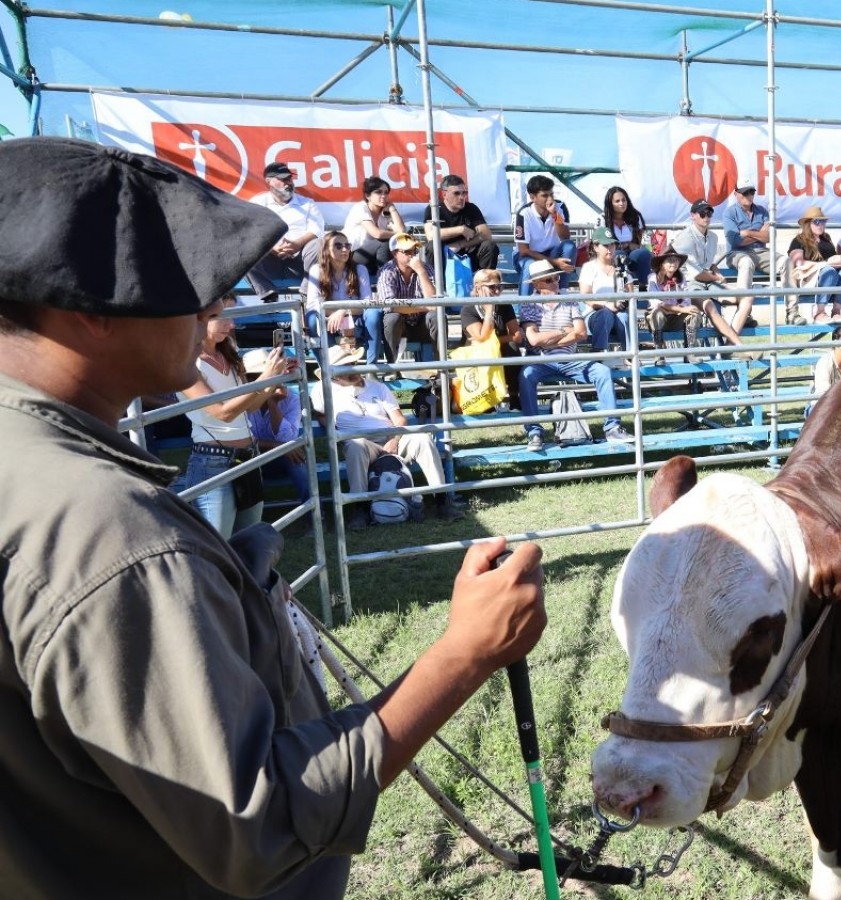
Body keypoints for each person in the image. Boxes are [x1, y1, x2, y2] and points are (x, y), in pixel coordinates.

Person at [0, 136, 546, 898]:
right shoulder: (105, 531)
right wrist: (465, 654)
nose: (219, 305)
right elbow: (259, 824)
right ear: (84, 306)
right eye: (187, 281)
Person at [310, 343, 465, 524]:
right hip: (361, 443)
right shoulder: (322, 390)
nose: (354, 368)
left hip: (391, 437)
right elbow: (320, 415)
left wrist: (394, 438)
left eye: (353, 363)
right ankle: (361, 507)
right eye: (347, 365)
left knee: (422, 438)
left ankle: (442, 500)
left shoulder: (377, 387)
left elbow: (399, 420)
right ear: (334, 373)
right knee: (355, 445)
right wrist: (334, 430)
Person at [177, 294, 292, 536]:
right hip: (213, 464)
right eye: (224, 317)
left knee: (249, 544)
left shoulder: (228, 354)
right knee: (220, 551)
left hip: (248, 458)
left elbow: (249, 406)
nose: (231, 325)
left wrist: (273, 378)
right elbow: (222, 412)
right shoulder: (185, 362)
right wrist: (264, 379)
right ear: (200, 318)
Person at [515, 261, 635, 450]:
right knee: (526, 376)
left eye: (557, 278)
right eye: (549, 279)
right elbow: (533, 340)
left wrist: (551, 340)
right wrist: (565, 332)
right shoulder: (529, 304)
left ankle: (612, 427)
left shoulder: (568, 299)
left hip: (568, 359)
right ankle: (534, 431)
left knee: (602, 372)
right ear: (537, 284)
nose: (555, 282)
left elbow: (581, 333)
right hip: (541, 360)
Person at [245, 160, 325, 301]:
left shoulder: (307, 203)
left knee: (318, 244)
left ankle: (307, 291)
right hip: (269, 263)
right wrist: (271, 247)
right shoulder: (257, 203)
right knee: (246, 247)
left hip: (300, 262)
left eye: (289, 178)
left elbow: (316, 230)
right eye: (283, 179)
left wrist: (297, 244)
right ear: (269, 182)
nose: (289, 182)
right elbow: (249, 232)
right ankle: (268, 294)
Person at [672, 197, 747, 345]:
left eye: (709, 213)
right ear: (692, 215)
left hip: (706, 282)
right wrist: (717, 278)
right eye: (702, 214)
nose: (707, 217)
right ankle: (738, 346)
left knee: (747, 297)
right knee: (710, 307)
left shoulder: (712, 236)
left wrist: (715, 271)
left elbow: (709, 263)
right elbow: (697, 274)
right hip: (689, 285)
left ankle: (731, 346)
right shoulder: (685, 237)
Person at [242, 346, 311, 504]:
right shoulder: (241, 400)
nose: (261, 381)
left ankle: (314, 513)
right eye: (255, 377)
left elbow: (287, 438)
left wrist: (272, 403)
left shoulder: (292, 399)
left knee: (296, 460)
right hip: (250, 457)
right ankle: (245, 515)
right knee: (293, 454)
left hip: (278, 457)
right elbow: (243, 442)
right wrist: (277, 446)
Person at [304, 229, 379, 359]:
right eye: (338, 246)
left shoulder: (359, 269)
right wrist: (335, 314)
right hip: (328, 321)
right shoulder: (316, 270)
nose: (344, 249)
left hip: (356, 320)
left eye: (347, 246)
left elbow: (367, 302)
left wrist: (343, 311)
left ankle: (372, 367)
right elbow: (312, 304)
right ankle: (326, 367)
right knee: (311, 318)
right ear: (326, 249)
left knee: (374, 313)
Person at [459, 268, 522, 408]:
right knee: (491, 351)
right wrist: (489, 311)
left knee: (512, 348)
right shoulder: (468, 309)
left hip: (498, 351)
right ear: (478, 288)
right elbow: (481, 337)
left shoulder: (504, 306)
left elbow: (517, 336)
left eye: (499, 287)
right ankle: (485, 400)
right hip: (476, 355)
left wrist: (494, 342)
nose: (497, 291)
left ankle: (514, 396)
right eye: (492, 287)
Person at [787, 204, 841, 324]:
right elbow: (799, 262)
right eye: (817, 222)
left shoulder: (826, 238)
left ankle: (836, 311)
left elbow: (833, 259)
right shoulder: (798, 240)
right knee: (829, 271)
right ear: (808, 223)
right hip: (812, 278)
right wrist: (824, 264)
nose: (821, 225)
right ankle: (819, 313)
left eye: (823, 221)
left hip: (831, 278)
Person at [376, 232, 440, 365]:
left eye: (414, 250)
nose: (412, 255)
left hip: (420, 324)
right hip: (400, 327)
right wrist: (426, 306)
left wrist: (421, 272)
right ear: (394, 254)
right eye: (407, 252)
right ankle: (392, 368)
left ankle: (440, 368)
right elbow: (391, 306)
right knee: (392, 318)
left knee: (436, 317)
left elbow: (435, 302)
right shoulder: (387, 271)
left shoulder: (425, 268)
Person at [424, 173, 500, 284]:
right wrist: (460, 230)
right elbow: (431, 235)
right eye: (456, 193)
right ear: (444, 194)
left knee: (489, 245)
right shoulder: (434, 210)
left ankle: (486, 285)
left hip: (467, 256)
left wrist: (460, 244)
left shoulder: (471, 208)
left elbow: (485, 234)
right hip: (444, 258)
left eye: (464, 193)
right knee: (432, 246)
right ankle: (436, 285)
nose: (462, 197)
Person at [513, 175, 576, 293]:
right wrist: (554, 262)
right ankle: (524, 306)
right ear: (532, 197)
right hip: (528, 256)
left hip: (551, 253)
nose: (549, 199)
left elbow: (565, 237)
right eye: (544, 195)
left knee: (569, 245)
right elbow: (524, 250)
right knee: (529, 265)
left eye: (551, 194)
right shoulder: (524, 213)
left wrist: (554, 215)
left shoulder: (560, 207)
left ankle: (562, 291)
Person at [578, 226, 632, 354]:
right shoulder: (589, 267)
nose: (610, 248)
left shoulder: (621, 268)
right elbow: (585, 296)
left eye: (612, 244)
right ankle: (599, 352)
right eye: (605, 245)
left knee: (624, 317)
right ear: (596, 247)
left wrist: (622, 303)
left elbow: (631, 295)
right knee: (605, 314)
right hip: (595, 315)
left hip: (618, 314)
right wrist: (607, 305)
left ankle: (631, 356)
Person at [723, 181, 785, 291]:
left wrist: (747, 233)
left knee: (787, 262)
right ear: (735, 193)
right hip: (737, 253)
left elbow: (770, 237)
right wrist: (760, 233)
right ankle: (744, 303)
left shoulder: (762, 211)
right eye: (744, 192)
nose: (748, 195)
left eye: (751, 192)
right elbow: (736, 241)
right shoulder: (729, 212)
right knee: (746, 262)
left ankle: (792, 307)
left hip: (762, 252)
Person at [342, 175, 404, 280]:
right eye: (378, 192)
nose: (383, 196)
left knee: (400, 244)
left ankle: (395, 279)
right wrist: (397, 234)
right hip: (351, 255)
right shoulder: (360, 208)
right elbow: (377, 233)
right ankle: (386, 279)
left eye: (386, 192)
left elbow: (402, 231)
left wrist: (392, 209)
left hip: (372, 257)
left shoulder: (385, 212)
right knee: (385, 242)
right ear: (367, 196)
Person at [599, 185, 653, 289]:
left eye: (624, 200)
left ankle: (644, 290)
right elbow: (601, 242)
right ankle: (622, 293)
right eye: (617, 201)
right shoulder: (603, 219)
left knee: (643, 253)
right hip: (612, 253)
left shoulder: (635, 216)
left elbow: (637, 243)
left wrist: (629, 245)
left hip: (632, 253)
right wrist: (623, 245)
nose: (622, 203)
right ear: (610, 204)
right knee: (618, 255)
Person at [646, 249, 698, 347]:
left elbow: (687, 301)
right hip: (659, 320)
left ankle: (690, 352)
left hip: (677, 317)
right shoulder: (653, 278)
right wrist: (679, 309)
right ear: (662, 264)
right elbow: (656, 303)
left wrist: (682, 308)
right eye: (669, 260)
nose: (673, 262)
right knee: (657, 313)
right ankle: (659, 353)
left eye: (676, 260)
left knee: (694, 313)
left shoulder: (681, 278)